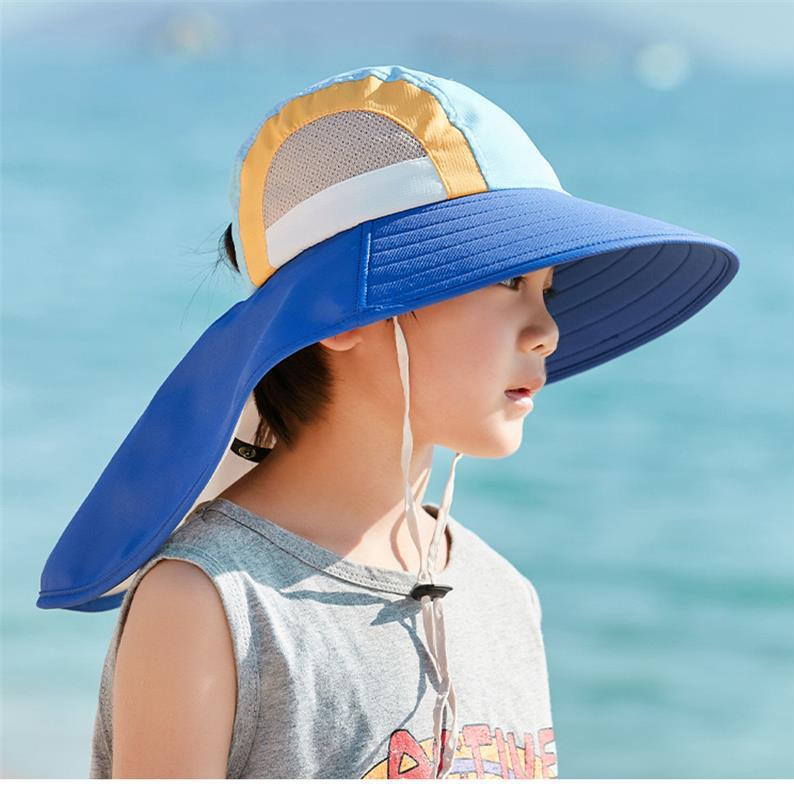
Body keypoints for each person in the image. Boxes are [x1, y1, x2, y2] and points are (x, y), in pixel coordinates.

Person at [37, 64, 739, 779]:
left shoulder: (502, 595)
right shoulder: (211, 601)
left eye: (547, 291)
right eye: (508, 280)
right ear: (345, 315)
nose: (548, 332)